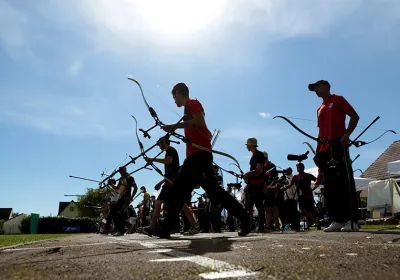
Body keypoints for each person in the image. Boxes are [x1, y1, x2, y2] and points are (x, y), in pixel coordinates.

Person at [154, 82, 252, 239]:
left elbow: (200, 122)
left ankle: (165, 228)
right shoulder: (188, 109)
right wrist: (174, 127)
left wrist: (174, 126)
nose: (174, 101)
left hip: (198, 155)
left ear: (178, 93)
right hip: (198, 155)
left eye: (174, 97)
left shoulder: (192, 103)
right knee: (213, 191)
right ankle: (245, 217)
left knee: (178, 189)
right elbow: (195, 125)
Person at [308, 80, 360, 232]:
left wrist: (346, 135)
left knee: (345, 183)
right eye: (314, 88)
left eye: (317, 86)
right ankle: (338, 219)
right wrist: (318, 152)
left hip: (338, 146)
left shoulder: (338, 99)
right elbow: (320, 132)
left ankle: (352, 220)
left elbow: (354, 116)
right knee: (330, 187)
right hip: (324, 150)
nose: (316, 90)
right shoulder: (319, 108)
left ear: (326, 86)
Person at [140, 137, 201, 235]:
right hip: (168, 182)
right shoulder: (168, 151)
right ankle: (151, 227)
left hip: (173, 183)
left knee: (181, 205)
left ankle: (195, 226)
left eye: (159, 143)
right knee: (159, 203)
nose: (158, 145)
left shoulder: (170, 150)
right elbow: (169, 172)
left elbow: (169, 161)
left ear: (163, 142)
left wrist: (152, 159)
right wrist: (160, 183)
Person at [242, 139, 266, 232]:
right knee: (249, 206)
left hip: (257, 184)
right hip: (252, 184)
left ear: (251, 145)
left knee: (259, 206)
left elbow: (259, 169)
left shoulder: (259, 154)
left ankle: (260, 227)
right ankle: (250, 226)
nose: (246, 147)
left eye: (247, 145)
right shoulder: (254, 155)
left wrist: (248, 174)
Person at [113, 166, 138, 236]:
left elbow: (135, 188)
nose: (120, 172)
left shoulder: (130, 177)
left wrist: (131, 197)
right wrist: (111, 184)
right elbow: (117, 188)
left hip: (126, 198)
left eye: (121, 171)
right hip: (121, 198)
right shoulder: (121, 179)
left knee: (118, 213)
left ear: (124, 170)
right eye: (119, 171)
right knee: (116, 213)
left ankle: (121, 230)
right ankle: (127, 226)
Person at [292, 163, 317, 229]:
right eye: (297, 168)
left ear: (303, 168)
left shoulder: (308, 175)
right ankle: (316, 221)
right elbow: (291, 184)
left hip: (309, 196)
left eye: (300, 167)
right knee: (303, 211)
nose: (298, 169)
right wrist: (285, 187)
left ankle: (308, 225)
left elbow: (317, 180)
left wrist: (313, 187)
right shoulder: (295, 176)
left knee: (309, 211)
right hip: (300, 196)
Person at [263, 151, 280, 231]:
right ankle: (269, 226)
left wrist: (276, 190)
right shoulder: (262, 166)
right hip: (265, 190)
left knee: (273, 208)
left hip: (271, 189)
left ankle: (275, 225)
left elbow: (276, 179)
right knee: (268, 208)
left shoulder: (271, 166)